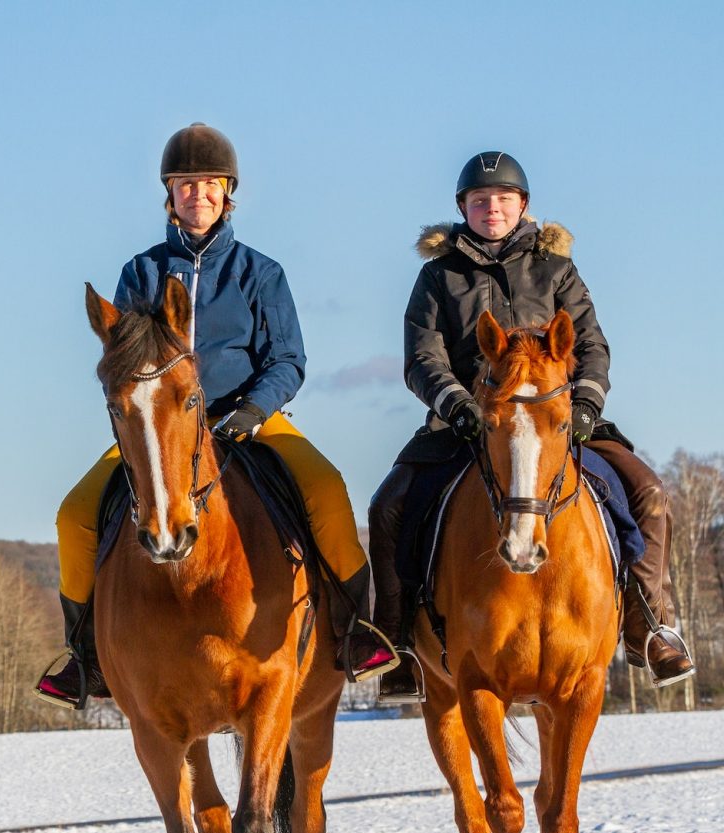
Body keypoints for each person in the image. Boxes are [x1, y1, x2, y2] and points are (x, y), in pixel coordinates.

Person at [36, 123, 399, 709]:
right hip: (161, 428)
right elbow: (125, 359)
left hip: (248, 420)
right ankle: (85, 659)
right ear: (170, 194)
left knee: (327, 488)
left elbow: (288, 359)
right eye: (185, 185)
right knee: (74, 514)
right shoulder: (140, 274)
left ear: (227, 193)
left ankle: (356, 633)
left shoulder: (262, 273)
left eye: (209, 185)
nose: (197, 195)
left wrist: (253, 412)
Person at [368, 151, 694, 704]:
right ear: (462, 208)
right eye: (479, 200)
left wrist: (586, 404)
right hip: (467, 422)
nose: (490, 208)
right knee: (388, 506)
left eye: (502, 199)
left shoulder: (557, 271)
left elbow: (590, 345)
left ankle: (648, 627)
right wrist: (456, 404)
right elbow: (423, 357)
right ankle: (397, 645)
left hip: (557, 420)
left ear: (523, 206)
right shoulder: (437, 276)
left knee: (649, 494)